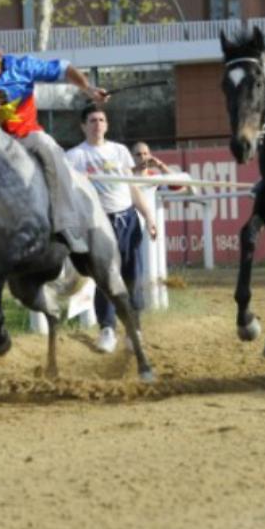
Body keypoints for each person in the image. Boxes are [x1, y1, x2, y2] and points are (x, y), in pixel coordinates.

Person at [0, 30, 109, 252]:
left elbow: (64, 68)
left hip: (26, 137)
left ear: (1, 58)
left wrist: (88, 88)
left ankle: (66, 224)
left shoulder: (22, 66)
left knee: (50, 147)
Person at [66, 105, 157, 354]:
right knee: (104, 277)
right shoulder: (74, 157)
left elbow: (132, 188)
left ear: (107, 125)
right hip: (98, 224)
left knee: (132, 274)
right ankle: (107, 329)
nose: (98, 124)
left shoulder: (119, 151)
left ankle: (133, 328)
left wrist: (148, 216)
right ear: (83, 126)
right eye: (93, 120)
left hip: (127, 219)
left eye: (101, 120)